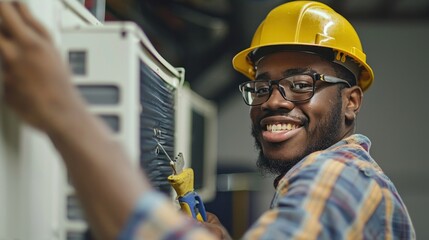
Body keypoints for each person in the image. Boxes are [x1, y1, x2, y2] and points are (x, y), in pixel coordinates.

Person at [0, 1, 415, 239]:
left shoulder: (336, 175)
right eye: (262, 86)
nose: (274, 101)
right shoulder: (339, 178)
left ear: (351, 101)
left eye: (302, 84)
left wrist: (64, 112)